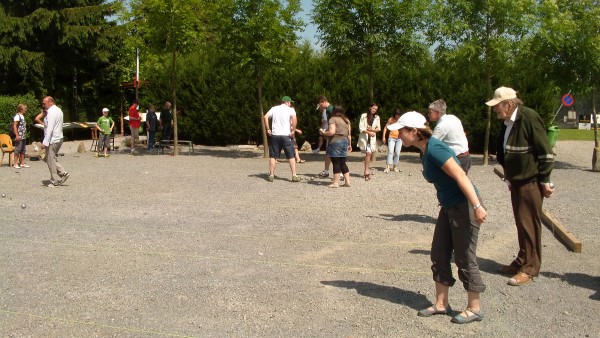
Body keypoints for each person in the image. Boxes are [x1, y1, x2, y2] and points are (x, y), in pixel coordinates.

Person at [390, 111, 487, 324]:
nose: (397, 135)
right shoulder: (424, 150)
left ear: (414, 132)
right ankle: (442, 304)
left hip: (464, 206)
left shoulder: (435, 149)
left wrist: (477, 205)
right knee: (439, 252)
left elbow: (461, 175)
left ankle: (475, 307)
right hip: (449, 206)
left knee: (464, 257)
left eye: (401, 131)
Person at [485, 86, 555, 286]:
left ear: (508, 104)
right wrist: (509, 177)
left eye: (497, 106)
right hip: (516, 180)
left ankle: (530, 268)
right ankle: (522, 260)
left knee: (530, 224)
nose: (495, 110)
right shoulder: (509, 121)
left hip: (530, 181)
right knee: (521, 223)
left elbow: (545, 151)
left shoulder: (528, 117)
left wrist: (545, 180)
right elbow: (507, 151)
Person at [263, 96, 301, 182]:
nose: (290, 104)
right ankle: (294, 175)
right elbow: (294, 120)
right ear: (287, 102)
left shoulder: (274, 108)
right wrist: (293, 131)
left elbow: (265, 117)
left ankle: (271, 175)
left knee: (273, 156)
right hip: (286, 135)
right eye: (290, 102)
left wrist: (268, 129)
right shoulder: (290, 110)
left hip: (275, 135)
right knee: (291, 155)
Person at [428, 99, 471, 174]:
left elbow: (430, 144)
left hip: (458, 158)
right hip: (466, 156)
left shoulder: (442, 125)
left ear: (437, 113)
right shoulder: (453, 118)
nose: (428, 114)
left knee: (454, 184)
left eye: (430, 112)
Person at [319, 105, 352, 188]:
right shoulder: (346, 120)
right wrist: (350, 144)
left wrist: (323, 132)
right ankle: (347, 181)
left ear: (334, 111)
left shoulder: (333, 119)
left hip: (335, 142)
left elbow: (332, 132)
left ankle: (336, 183)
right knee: (342, 163)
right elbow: (349, 134)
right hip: (345, 141)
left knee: (336, 162)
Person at [41, 96, 69, 187]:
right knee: (50, 158)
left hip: (53, 139)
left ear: (51, 102)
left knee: (50, 160)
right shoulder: (59, 110)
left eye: (44, 103)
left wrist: (45, 142)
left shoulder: (51, 112)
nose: (43, 105)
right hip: (59, 138)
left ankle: (54, 180)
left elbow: (50, 128)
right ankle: (63, 173)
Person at [357, 103, 380, 180]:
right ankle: (366, 171)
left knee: (369, 154)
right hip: (365, 138)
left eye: (376, 109)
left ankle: (366, 170)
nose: (374, 110)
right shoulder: (364, 116)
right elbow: (361, 128)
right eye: (373, 108)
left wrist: (372, 130)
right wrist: (368, 132)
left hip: (372, 139)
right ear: (370, 107)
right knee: (368, 153)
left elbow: (378, 128)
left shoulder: (377, 117)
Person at [316, 96, 334, 178]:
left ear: (324, 102)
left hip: (333, 135)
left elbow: (334, 123)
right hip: (330, 133)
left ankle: (340, 173)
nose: (321, 107)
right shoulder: (327, 110)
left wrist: (326, 132)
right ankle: (326, 170)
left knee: (334, 154)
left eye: (321, 105)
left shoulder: (331, 110)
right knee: (328, 153)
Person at [382, 108, 403, 173]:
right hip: (391, 138)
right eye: (396, 114)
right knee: (390, 152)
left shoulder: (401, 120)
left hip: (399, 139)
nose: (397, 116)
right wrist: (383, 137)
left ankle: (395, 166)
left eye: (398, 115)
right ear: (394, 114)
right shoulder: (391, 119)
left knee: (397, 153)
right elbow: (385, 128)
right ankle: (388, 167)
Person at [12, 103, 29, 169]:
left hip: (23, 135)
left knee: (23, 149)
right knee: (18, 149)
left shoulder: (22, 116)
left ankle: (22, 163)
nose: (26, 110)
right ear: (21, 109)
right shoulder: (17, 116)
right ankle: (15, 163)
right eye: (25, 108)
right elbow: (14, 126)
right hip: (19, 135)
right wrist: (17, 135)